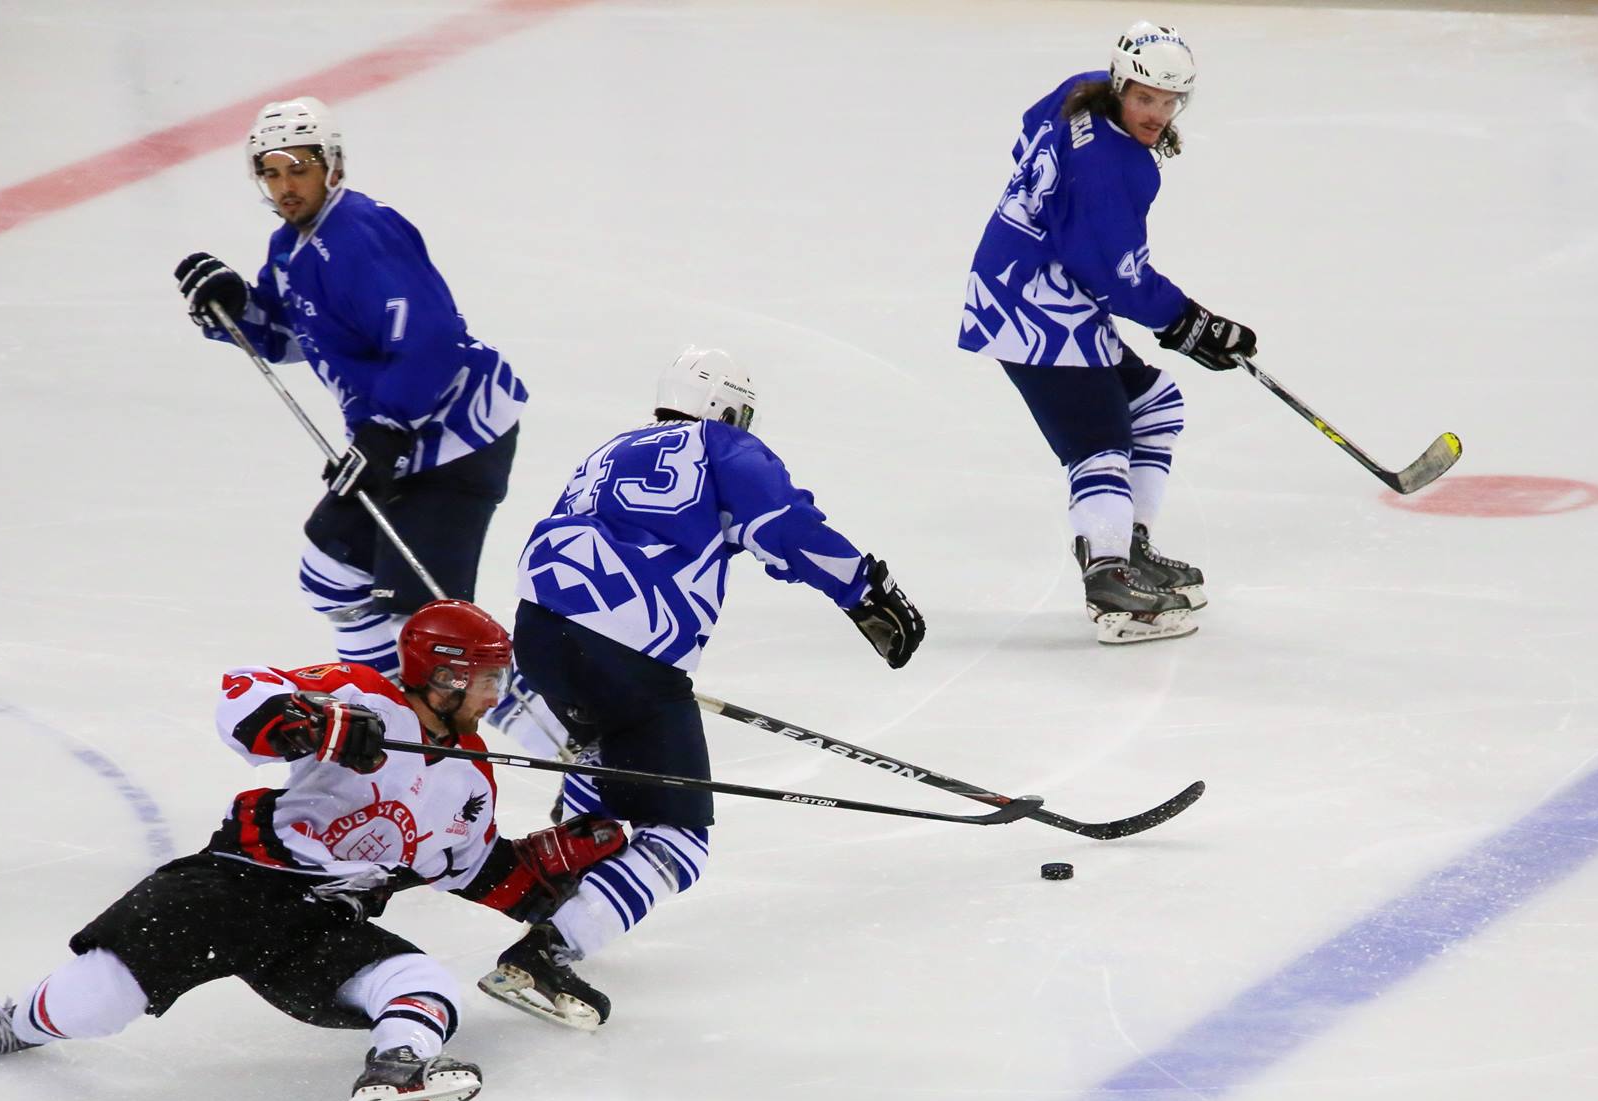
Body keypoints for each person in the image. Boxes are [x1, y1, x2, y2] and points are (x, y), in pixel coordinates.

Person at [0, 601, 626, 1101]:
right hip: (234, 885)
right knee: (103, 1000)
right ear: (443, 678)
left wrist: (544, 868)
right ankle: (10, 1023)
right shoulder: (362, 695)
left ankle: (398, 1062)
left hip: (321, 925)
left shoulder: (471, 774)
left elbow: (467, 868)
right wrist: (312, 724)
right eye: (485, 679)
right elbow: (243, 692)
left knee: (424, 982)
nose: (497, 694)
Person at [482, 346, 925, 1029]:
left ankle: (565, 875)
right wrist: (869, 590)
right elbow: (784, 529)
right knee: (679, 838)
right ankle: (550, 949)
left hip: (537, 632)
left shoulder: (609, 450)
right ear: (724, 407)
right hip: (630, 657)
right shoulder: (721, 446)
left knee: (598, 750)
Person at [172, 97, 528, 674]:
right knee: (331, 572)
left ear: (332, 166)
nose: (285, 185)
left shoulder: (361, 233)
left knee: (430, 631)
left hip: (457, 440)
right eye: (272, 172)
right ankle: (389, 711)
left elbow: (430, 338)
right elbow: (295, 337)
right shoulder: (289, 247)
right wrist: (236, 309)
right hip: (398, 444)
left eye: (299, 168)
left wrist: (386, 430)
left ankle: (539, 735)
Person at [958, 22, 1257, 645]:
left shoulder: (1080, 91)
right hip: (1035, 307)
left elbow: (1025, 135)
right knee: (1100, 441)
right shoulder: (1116, 168)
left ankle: (1129, 547)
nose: (1158, 112)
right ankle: (1109, 579)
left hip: (1031, 285)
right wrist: (1190, 321)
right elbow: (1119, 278)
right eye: (1146, 97)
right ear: (1123, 84)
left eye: (1171, 100)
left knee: (1154, 405)